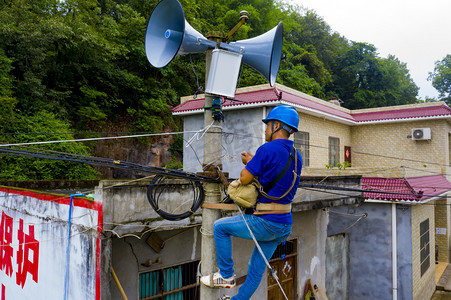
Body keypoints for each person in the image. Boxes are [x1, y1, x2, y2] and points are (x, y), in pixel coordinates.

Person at [200, 105, 303, 300]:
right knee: (256, 270)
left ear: (276, 125)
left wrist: (250, 163)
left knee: (220, 227)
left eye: (267, 125)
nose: (265, 130)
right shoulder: (297, 156)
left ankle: (226, 275)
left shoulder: (267, 149)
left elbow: (245, 178)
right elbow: (275, 172)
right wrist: (257, 161)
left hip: (266, 221)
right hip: (284, 224)